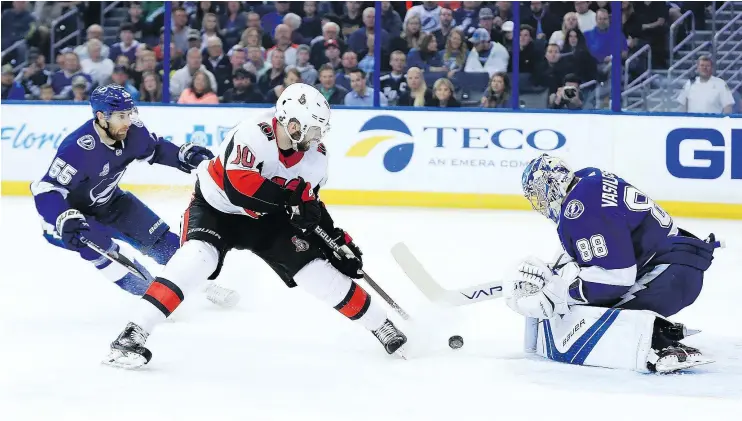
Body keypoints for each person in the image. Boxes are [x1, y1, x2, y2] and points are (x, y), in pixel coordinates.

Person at [103, 83, 408, 369]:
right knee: (194, 261)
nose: (318, 138)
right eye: (313, 129)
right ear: (292, 124)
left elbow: (311, 206)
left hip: (268, 220)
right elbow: (239, 187)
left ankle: (381, 324)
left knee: (315, 272)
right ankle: (133, 333)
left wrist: (337, 242)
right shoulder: (252, 133)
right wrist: (292, 200)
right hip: (216, 208)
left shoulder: (316, 158)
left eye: (321, 130)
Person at [504, 154, 720, 373]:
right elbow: (597, 244)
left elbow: (618, 279)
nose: (539, 202)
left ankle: (660, 343)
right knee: (583, 298)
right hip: (676, 267)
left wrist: (562, 293)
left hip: (668, 276)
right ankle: (659, 331)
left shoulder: (580, 210)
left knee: (580, 311)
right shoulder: (588, 180)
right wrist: (556, 270)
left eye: (540, 193)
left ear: (554, 183)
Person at [30, 85, 238, 307]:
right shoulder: (78, 149)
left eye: (130, 113)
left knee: (162, 242)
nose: (128, 121)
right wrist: (63, 217)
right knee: (102, 249)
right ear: (101, 117)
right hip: (74, 218)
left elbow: (155, 149)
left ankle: (205, 286)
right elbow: (46, 189)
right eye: (121, 116)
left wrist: (181, 155)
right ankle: (154, 298)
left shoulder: (132, 131)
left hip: (111, 202)